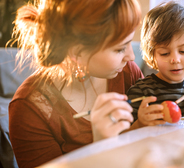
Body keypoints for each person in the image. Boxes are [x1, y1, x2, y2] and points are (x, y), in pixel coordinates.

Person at [8, 0, 142, 167]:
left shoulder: (128, 73)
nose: (131, 56)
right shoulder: (29, 109)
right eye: (120, 49)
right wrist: (100, 147)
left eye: (130, 42)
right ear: (77, 53)